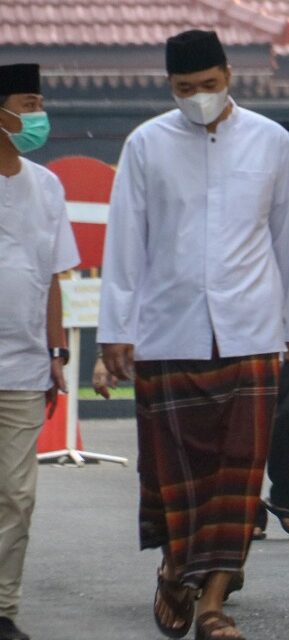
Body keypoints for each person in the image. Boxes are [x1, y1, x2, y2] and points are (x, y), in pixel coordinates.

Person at [98, 30, 289, 640]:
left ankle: (214, 601)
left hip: (250, 332)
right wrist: (117, 328)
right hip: (168, 334)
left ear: (229, 76)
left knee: (239, 476)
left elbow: (288, 237)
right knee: (176, 473)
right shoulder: (145, 145)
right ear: (170, 87)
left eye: (208, 85)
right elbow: (125, 240)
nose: (198, 97)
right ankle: (174, 570)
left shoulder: (271, 142)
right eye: (184, 89)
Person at [0, 63, 78, 640]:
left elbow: (53, 276)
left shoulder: (47, 186)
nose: (37, 116)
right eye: (28, 103)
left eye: (39, 103)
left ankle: (2, 609)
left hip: (24, 367)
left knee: (17, 494)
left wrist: (56, 351)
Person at [253, 120, 289, 541]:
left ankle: (287, 503)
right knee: (244, 424)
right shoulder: (247, 193)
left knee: (287, 418)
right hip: (248, 325)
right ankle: (249, 512)